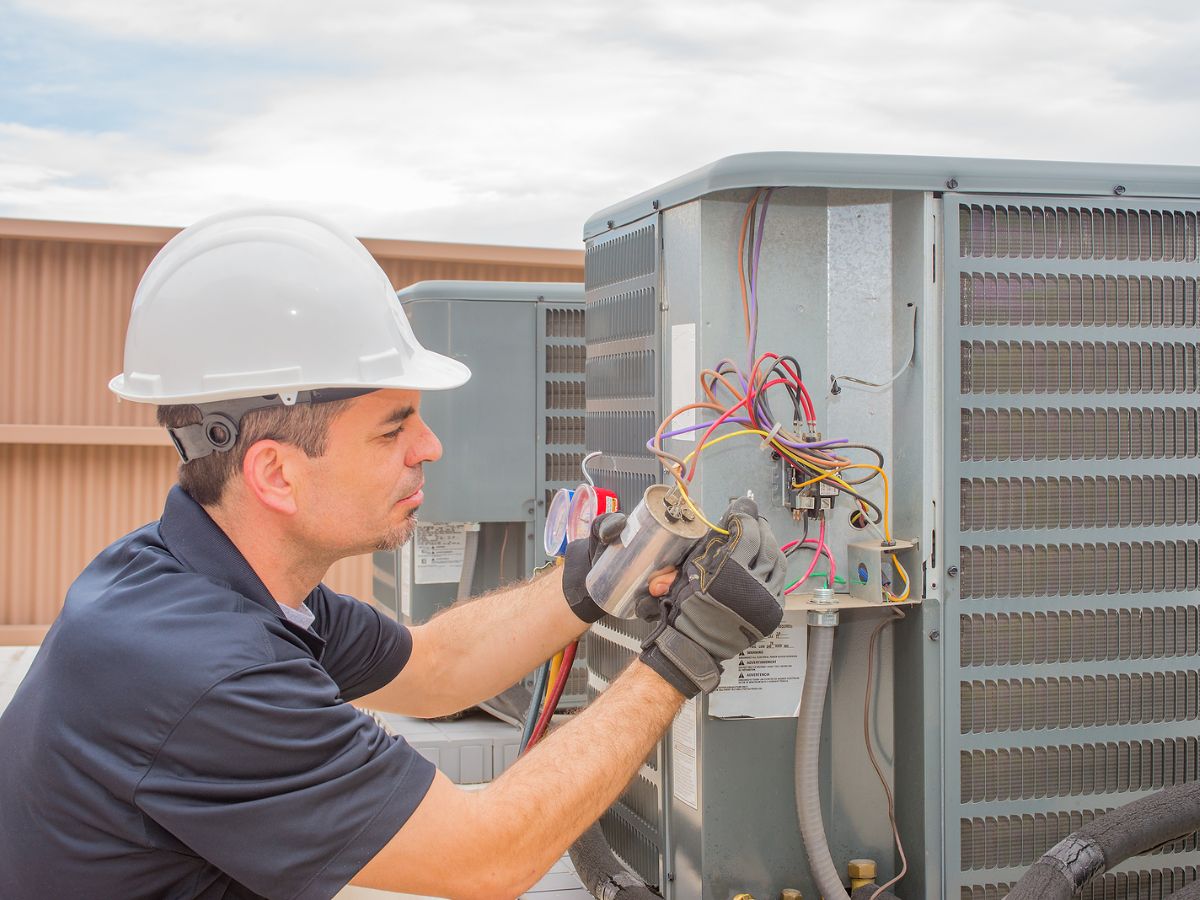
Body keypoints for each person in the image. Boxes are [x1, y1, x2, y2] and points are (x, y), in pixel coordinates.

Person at [0, 210, 787, 899]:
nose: (431, 446)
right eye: (393, 427)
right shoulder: (206, 673)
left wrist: (587, 579)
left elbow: (436, 668)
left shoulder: (193, 577)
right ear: (274, 471)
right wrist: (684, 658)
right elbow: (489, 856)